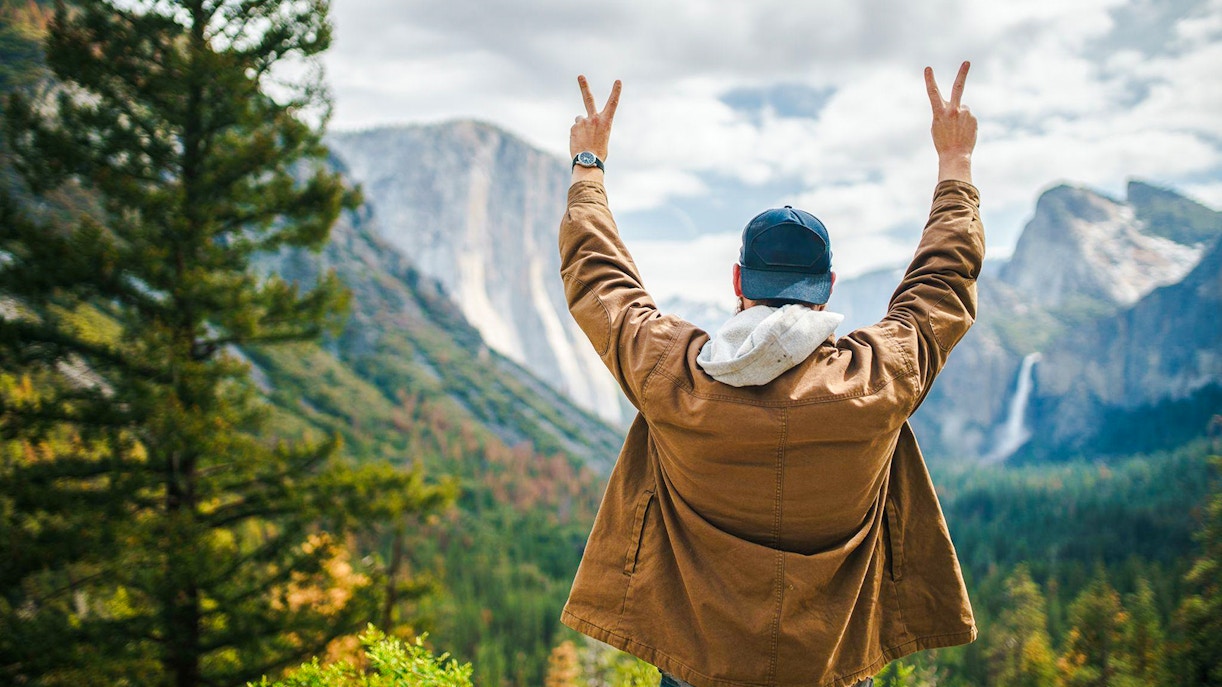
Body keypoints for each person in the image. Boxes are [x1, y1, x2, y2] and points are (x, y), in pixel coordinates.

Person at [558, 63, 982, 687]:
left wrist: (588, 166)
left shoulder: (673, 375)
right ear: (828, 287)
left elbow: (598, 279)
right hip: (834, 665)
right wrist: (956, 163)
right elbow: (943, 283)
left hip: (700, 665)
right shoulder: (876, 380)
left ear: (738, 283)